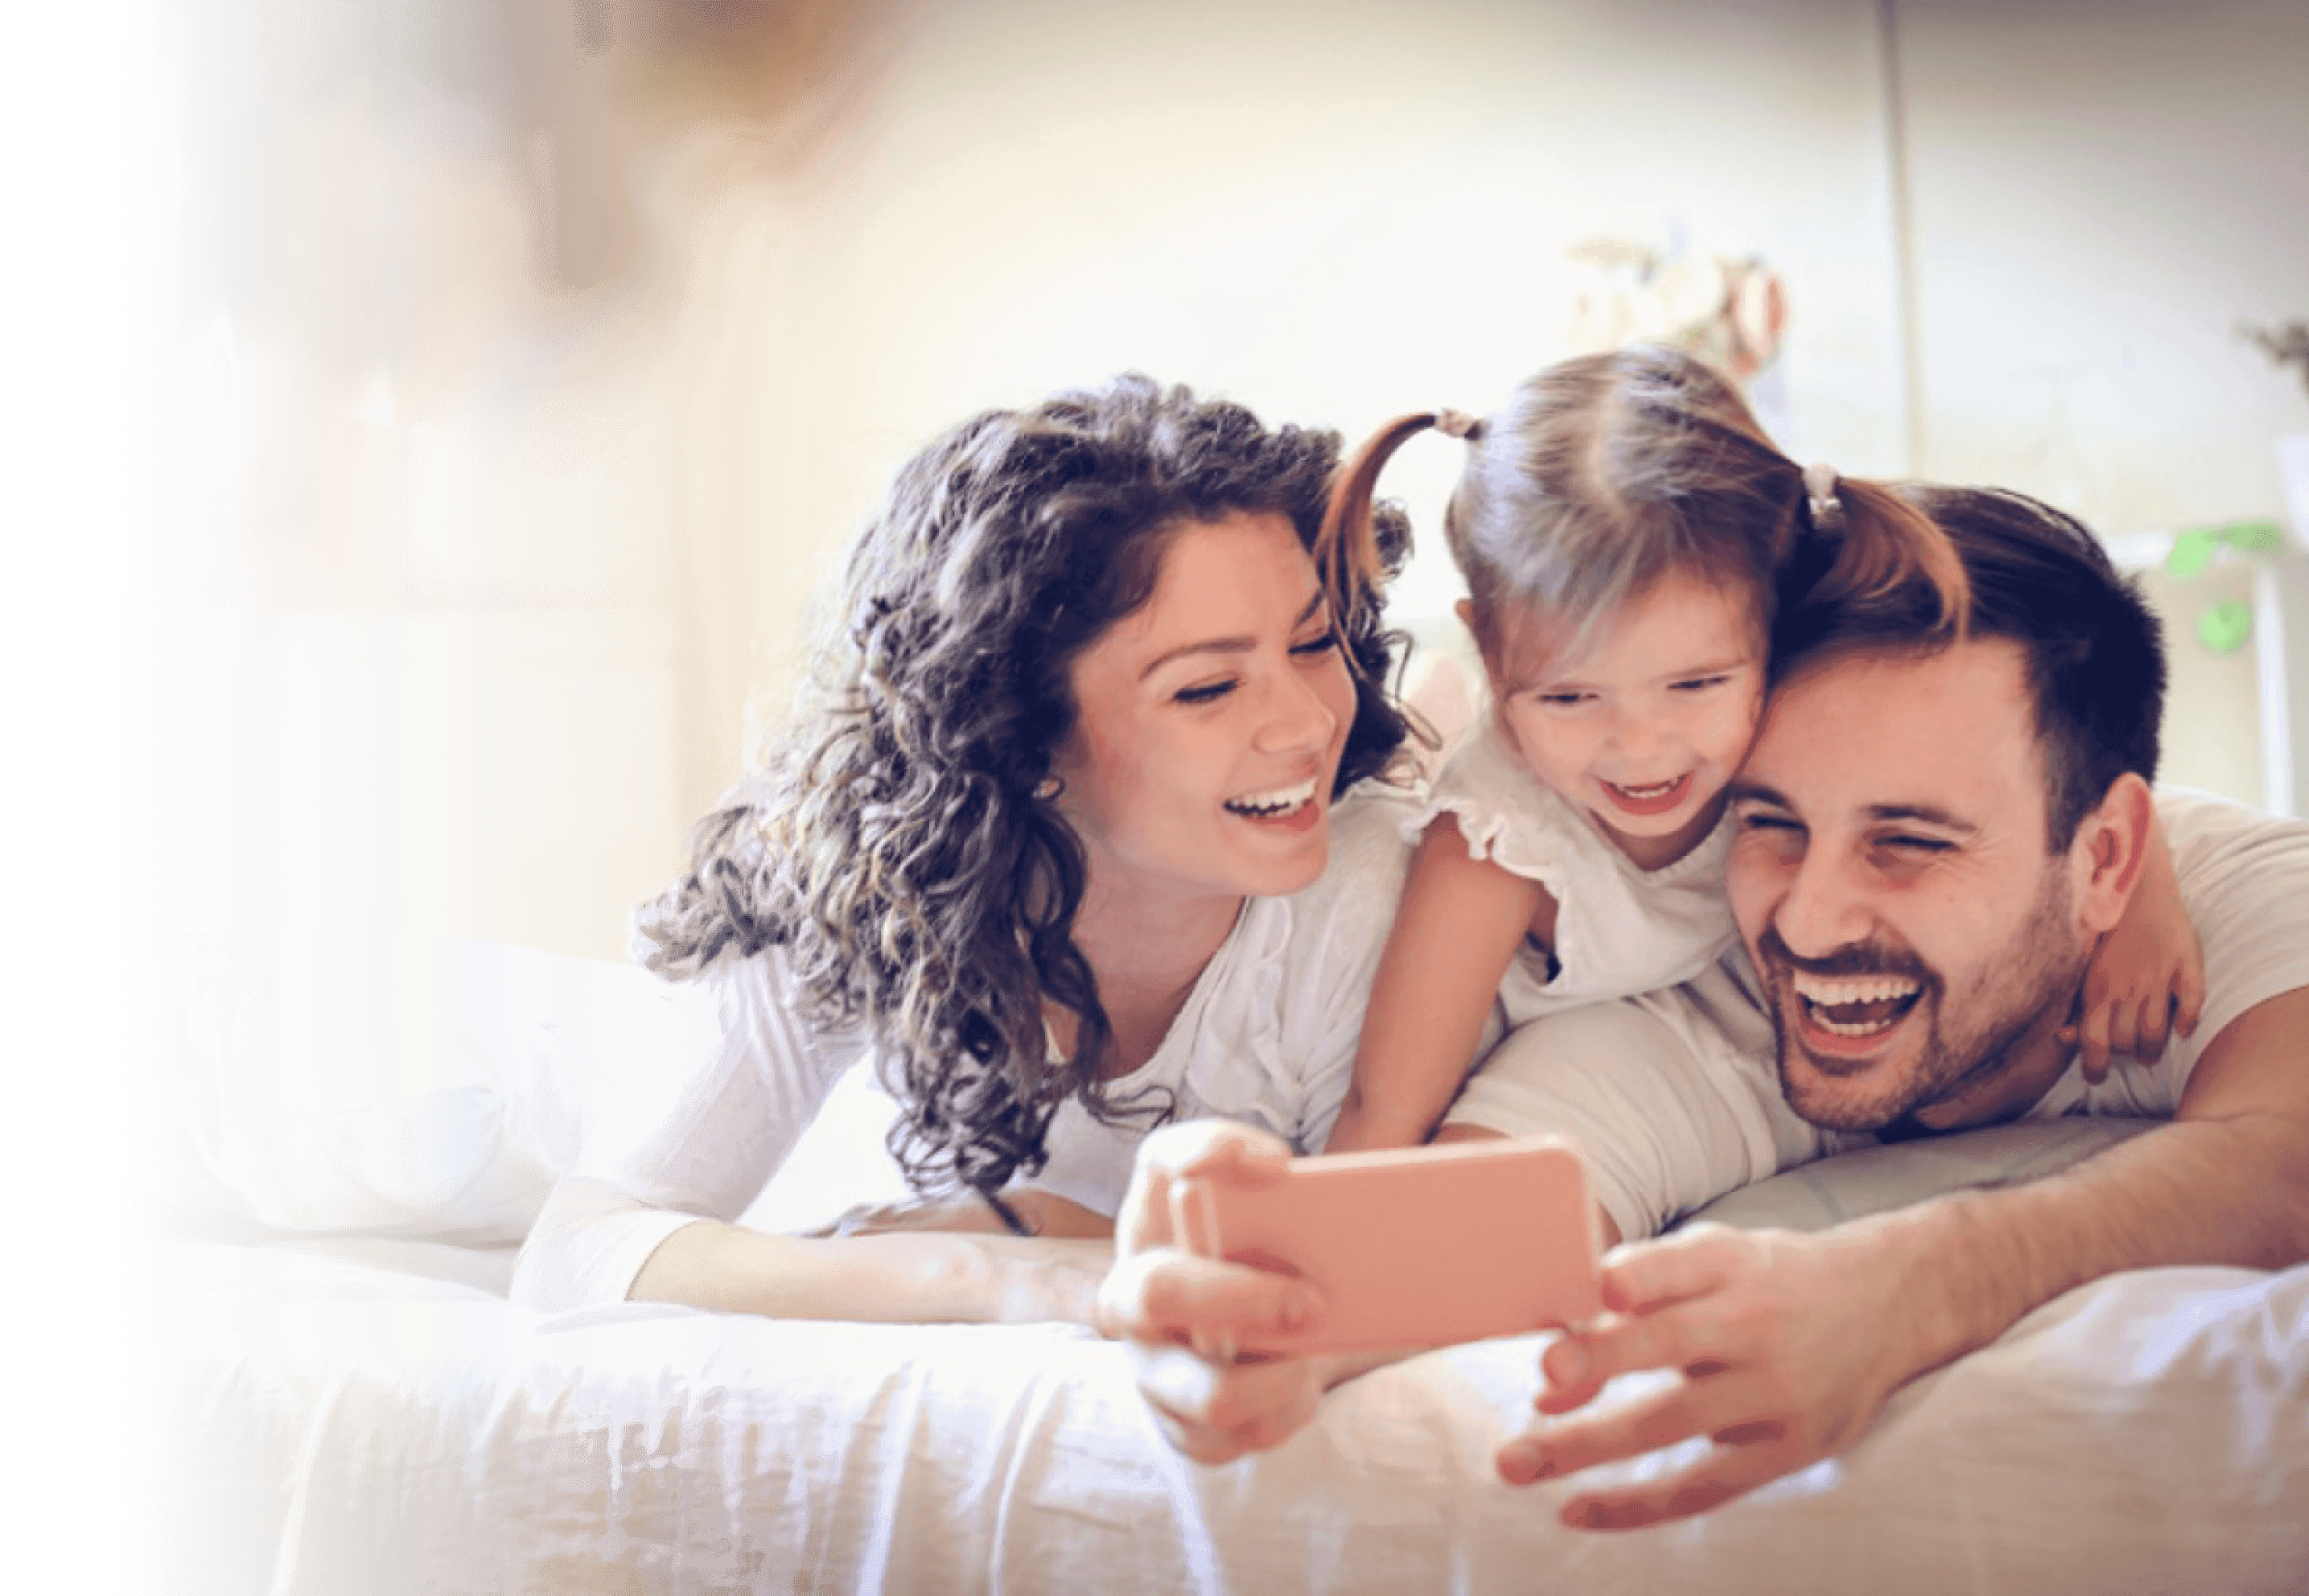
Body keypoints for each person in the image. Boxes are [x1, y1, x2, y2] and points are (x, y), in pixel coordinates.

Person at [1101, 481, 2309, 1524]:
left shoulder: (2230, 898)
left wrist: (1922, 1280)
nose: (1807, 919)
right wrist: (1227, 1324)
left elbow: (2285, 1157)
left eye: (1908, 843)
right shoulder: (1691, 1014)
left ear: (2105, 859)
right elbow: (1439, 1246)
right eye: (1767, 821)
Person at [510, 373, 1426, 1322]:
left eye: (1314, 644)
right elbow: (581, 1249)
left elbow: (1375, 1272)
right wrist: (975, 1274)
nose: (1307, 723)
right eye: (1206, 689)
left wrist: (1061, 1229)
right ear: (1018, 734)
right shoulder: (851, 876)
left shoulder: (1376, 896)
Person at [1325, 348, 2195, 1152]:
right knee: (1412, 756)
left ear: (1770, 611)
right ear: (1491, 647)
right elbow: (1382, 1113)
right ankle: (1427, 711)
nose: (1639, 750)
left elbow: (2075, 742)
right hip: (1373, 1026)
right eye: (1569, 696)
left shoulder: (1772, 668)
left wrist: (2141, 906)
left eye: (1693, 684)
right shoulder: (1494, 850)